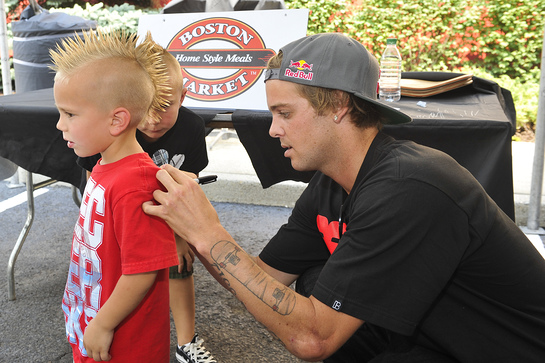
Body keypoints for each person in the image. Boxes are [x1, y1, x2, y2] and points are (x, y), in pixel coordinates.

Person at [142, 32, 545, 362]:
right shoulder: (331, 183)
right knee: (318, 283)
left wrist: (209, 233)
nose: (272, 130)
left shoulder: (410, 186)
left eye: (285, 113)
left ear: (337, 105)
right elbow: (259, 280)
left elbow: (313, 340)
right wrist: (196, 231)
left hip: (507, 350)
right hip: (435, 334)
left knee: (322, 313)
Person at [76, 47, 216, 363]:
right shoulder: (106, 128)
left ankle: (187, 341)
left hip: (168, 215)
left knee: (180, 266)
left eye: (164, 106)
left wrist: (180, 239)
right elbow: (93, 186)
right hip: (117, 218)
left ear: (184, 95)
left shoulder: (192, 127)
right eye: (147, 108)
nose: (153, 120)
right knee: (113, 277)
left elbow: (187, 188)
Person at [51, 29, 179, 362]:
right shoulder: (106, 167)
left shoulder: (136, 182)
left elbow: (143, 270)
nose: (59, 125)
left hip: (125, 344)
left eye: (70, 114)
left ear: (117, 120)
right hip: (94, 324)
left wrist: (103, 324)